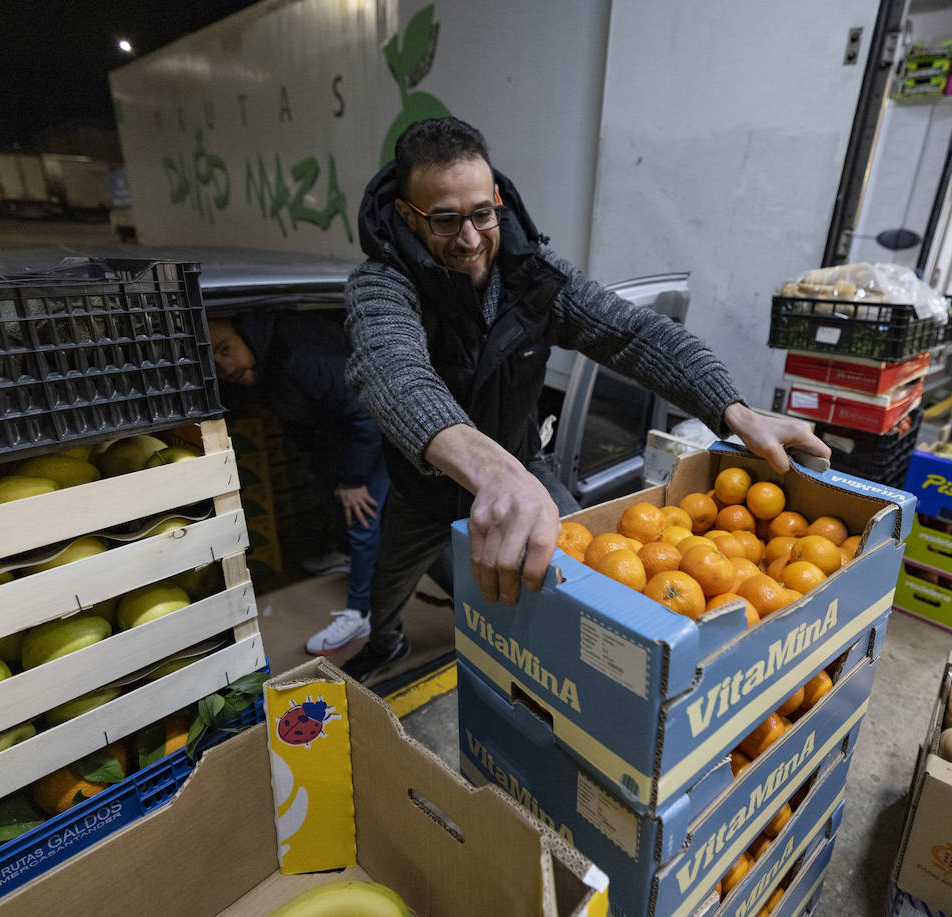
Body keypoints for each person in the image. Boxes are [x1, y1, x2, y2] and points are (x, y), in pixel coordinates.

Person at [340, 116, 830, 683]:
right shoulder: (381, 284)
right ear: (408, 215)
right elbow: (391, 372)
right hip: (424, 489)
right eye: (446, 220)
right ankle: (386, 639)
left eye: (482, 213)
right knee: (390, 578)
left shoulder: (535, 278)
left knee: (593, 573)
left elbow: (635, 335)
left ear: (498, 199)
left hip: (525, 466)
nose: (471, 239)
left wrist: (735, 410)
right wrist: (494, 473)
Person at [208, 311, 388, 655]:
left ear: (245, 331)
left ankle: (362, 612)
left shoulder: (299, 357)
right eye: (214, 362)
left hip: (371, 426)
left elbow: (364, 413)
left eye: (225, 349)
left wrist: (353, 480)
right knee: (330, 490)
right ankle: (349, 556)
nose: (225, 367)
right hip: (336, 429)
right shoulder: (267, 361)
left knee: (361, 513)